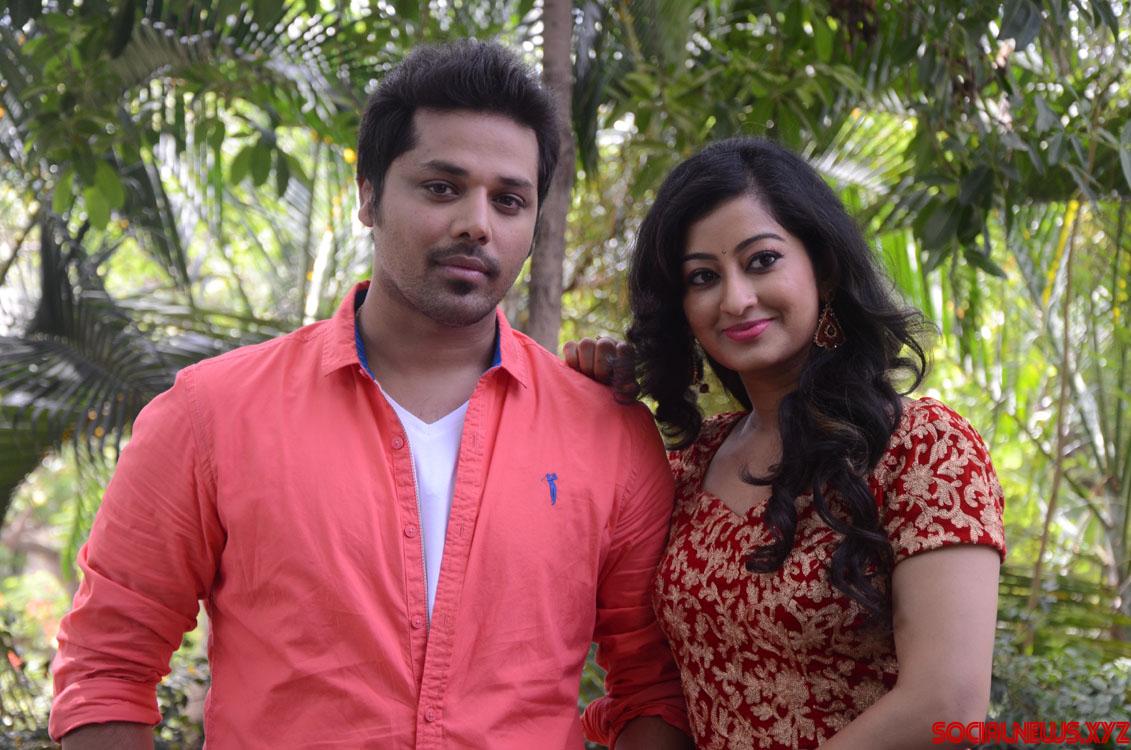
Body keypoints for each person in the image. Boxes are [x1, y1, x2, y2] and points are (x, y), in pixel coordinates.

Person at [49, 40, 691, 750]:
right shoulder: (213, 415)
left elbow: (652, 686)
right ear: (367, 196)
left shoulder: (606, 433)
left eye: (509, 201)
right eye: (441, 188)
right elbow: (108, 665)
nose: (477, 223)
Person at [565, 137, 1005, 748]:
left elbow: (947, 704)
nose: (736, 299)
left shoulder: (924, 449)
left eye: (762, 260)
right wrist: (584, 403)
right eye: (702, 277)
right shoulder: (690, 465)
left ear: (822, 269)